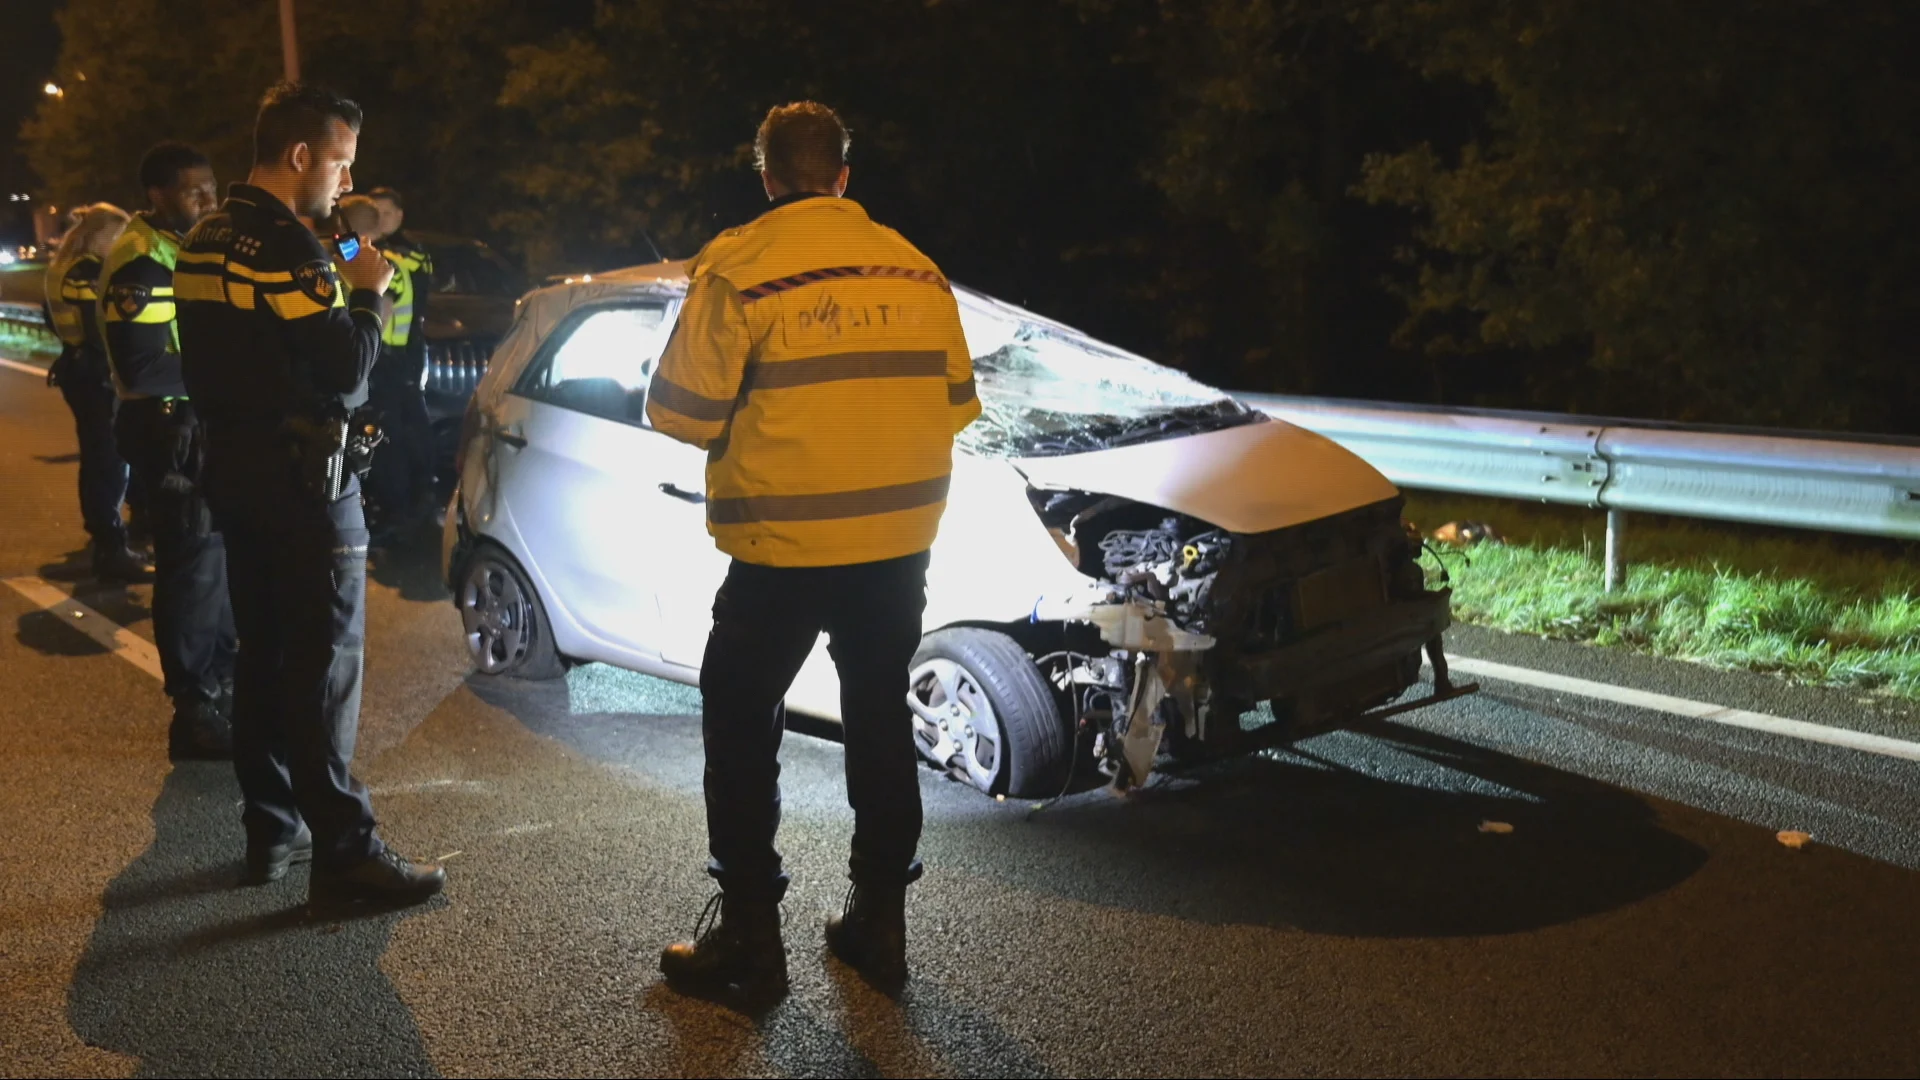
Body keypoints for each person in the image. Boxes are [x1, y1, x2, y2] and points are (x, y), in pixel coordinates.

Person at [648, 101, 980, 996]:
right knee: (878, 718)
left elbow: (678, 412)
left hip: (781, 548)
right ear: (843, 176)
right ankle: (880, 928)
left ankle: (753, 947)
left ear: (766, 178)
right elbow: (955, 400)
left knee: (740, 717)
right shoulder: (917, 271)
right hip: (896, 550)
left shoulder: (739, 268)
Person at [174, 82, 446, 902]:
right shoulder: (284, 245)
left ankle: (272, 832)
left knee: (261, 657)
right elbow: (344, 364)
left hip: (237, 472)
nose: (343, 178)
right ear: (300, 155)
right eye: (339, 160)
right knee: (325, 663)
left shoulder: (205, 235)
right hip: (305, 478)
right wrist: (368, 289)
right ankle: (347, 851)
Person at [101, 143, 235, 759]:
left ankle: (224, 683)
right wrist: (236, 366)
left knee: (219, 563)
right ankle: (194, 708)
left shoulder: (183, 248)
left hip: (197, 426)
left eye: (211, 187)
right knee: (193, 568)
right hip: (168, 430)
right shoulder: (142, 264)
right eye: (193, 191)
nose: (209, 200)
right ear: (158, 196)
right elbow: (145, 365)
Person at [44, 203, 148, 580]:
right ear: (103, 235)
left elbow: (49, 317)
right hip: (96, 374)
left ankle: (110, 536)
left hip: (76, 368)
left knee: (98, 456)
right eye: (117, 238)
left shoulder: (62, 268)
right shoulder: (87, 272)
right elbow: (101, 330)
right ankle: (111, 546)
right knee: (109, 461)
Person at [338, 193, 430, 544]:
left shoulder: (375, 264)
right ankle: (401, 508)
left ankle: (396, 515)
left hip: (382, 362)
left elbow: (382, 312)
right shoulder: (371, 259)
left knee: (386, 442)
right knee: (393, 437)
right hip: (390, 361)